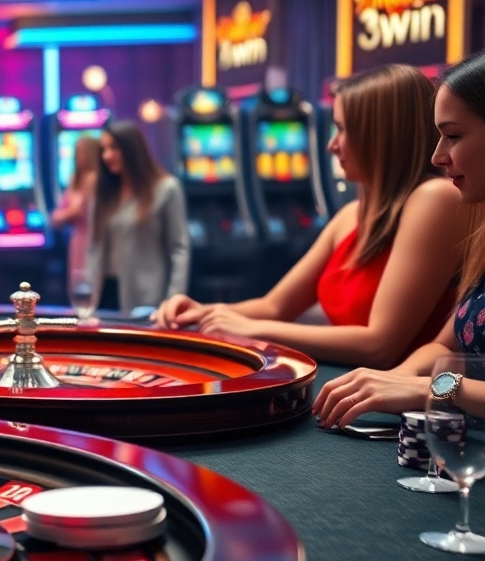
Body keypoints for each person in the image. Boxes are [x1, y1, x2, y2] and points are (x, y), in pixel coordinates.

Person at [155, 65, 463, 369]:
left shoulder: (435, 198)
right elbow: (274, 306)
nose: (331, 146)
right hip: (350, 386)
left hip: (402, 402)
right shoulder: (348, 216)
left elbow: (379, 346)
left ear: (381, 135)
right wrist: (203, 312)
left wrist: (252, 330)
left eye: (342, 130)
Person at [315, 52, 485, 425]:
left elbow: (386, 346)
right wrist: (393, 380)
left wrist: (431, 388)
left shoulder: (435, 200)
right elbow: (444, 345)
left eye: (453, 136)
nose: (439, 156)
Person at [85, 121, 190, 313]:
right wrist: (86, 294)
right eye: (103, 149)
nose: (106, 155)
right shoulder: (104, 193)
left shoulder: (166, 189)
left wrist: (174, 300)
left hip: (148, 298)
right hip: (105, 295)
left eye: (114, 148)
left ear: (132, 150)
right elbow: (94, 247)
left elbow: (179, 249)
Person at [50, 134, 101, 278]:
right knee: (77, 283)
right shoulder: (75, 178)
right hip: (77, 237)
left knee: (89, 281)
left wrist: (63, 215)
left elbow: (80, 210)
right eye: (77, 151)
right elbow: (61, 211)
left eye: (81, 151)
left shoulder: (94, 179)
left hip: (92, 237)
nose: (77, 156)